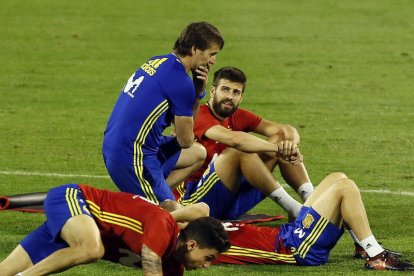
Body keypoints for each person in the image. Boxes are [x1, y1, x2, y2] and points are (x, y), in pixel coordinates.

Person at [102, 22, 224, 210]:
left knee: (198, 154)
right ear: (194, 49)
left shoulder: (158, 61)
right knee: (175, 220)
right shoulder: (181, 82)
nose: (213, 61)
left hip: (122, 144)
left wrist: (198, 91)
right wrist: (192, 94)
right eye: (211, 54)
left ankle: (152, 197)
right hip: (133, 156)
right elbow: (184, 140)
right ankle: (155, 203)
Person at [0, 184, 230, 276]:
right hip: (74, 199)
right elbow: (151, 265)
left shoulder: (173, 266)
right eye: (208, 257)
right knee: (92, 249)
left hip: (80, 229)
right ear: (192, 244)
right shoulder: (164, 226)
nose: (207, 265)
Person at [179, 66, 313, 220]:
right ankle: (296, 210)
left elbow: (286, 131)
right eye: (225, 89)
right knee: (238, 151)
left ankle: (313, 204)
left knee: (282, 139)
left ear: (241, 97)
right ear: (213, 91)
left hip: (233, 198)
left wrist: (290, 146)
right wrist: (278, 149)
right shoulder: (199, 115)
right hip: (199, 200)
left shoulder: (238, 115)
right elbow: (235, 140)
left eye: (235, 92)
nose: (229, 96)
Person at [213, 172, 414, 271]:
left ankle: (362, 246)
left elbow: (201, 209)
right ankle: (376, 255)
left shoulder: (198, 227)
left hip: (291, 232)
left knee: (337, 176)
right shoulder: (200, 243)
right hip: (297, 248)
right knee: (346, 188)